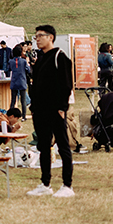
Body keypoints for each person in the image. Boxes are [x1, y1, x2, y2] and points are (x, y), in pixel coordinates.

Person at [28, 24, 75, 198]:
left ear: (51, 37)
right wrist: (33, 107)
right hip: (40, 110)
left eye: (41, 35)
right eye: (36, 36)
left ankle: (67, 185)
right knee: (44, 146)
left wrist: (62, 107)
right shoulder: (40, 58)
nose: (37, 39)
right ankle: (45, 183)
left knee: (63, 146)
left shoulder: (59, 57)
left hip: (55, 110)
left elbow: (66, 85)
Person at [9, 45, 30, 116]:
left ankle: (10, 114)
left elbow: (9, 69)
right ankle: (24, 116)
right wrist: (28, 63)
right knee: (23, 100)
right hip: (22, 81)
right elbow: (28, 70)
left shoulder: (11, 61)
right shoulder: (23, 61)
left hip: (14, 82)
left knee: (13, 100)